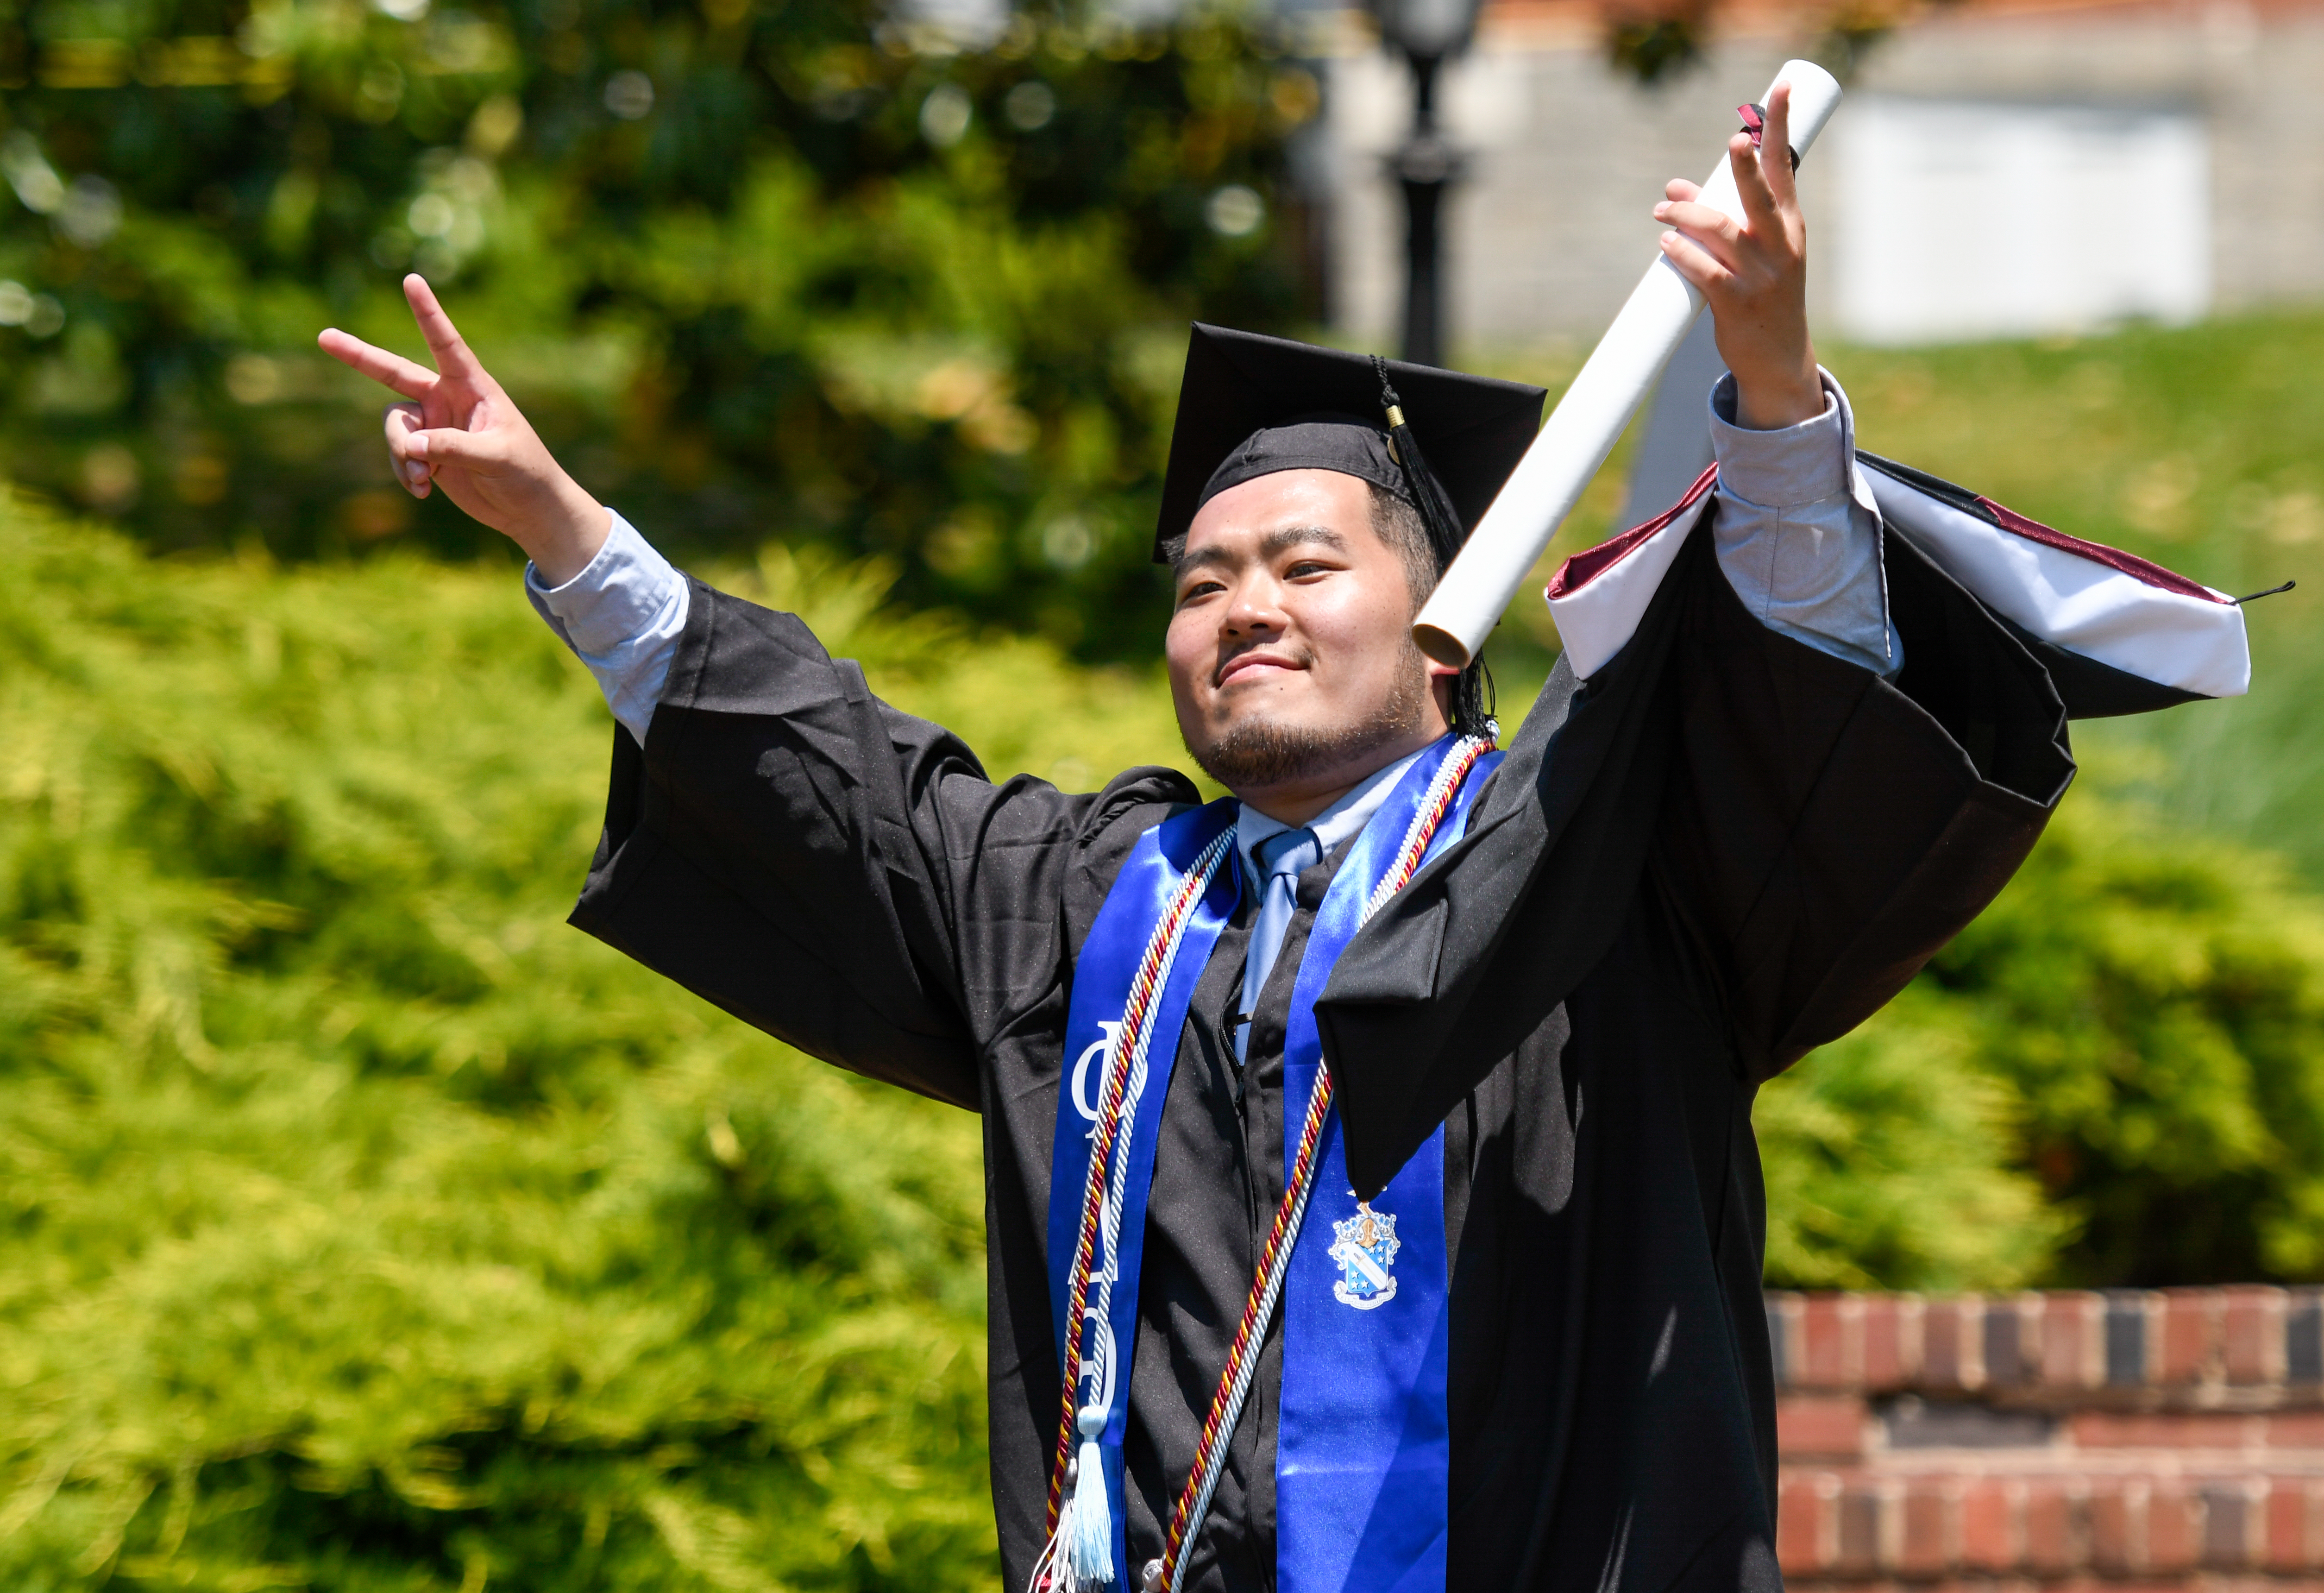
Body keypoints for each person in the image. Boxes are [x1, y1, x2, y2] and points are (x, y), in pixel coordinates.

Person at [320, 86, 2249, 1593]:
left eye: (1304, 562)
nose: (1241, 603)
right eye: (1203, 581)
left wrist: (1762, 387)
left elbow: (1785, 711)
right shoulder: (1097, 903)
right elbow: (829, 778)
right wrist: (565, 530)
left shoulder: (1598, 869)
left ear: (1435, 631)